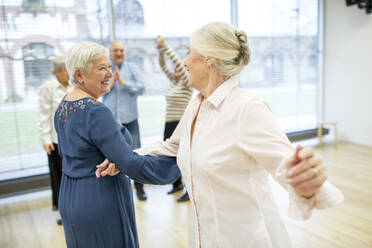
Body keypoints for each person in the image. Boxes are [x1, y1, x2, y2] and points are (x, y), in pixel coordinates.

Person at [98, 22, 344, 248]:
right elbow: (173, 146)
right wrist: (125, 158)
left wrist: (309, 180)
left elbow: (287, 165)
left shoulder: (247, 109)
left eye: (188, 52)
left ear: (209, 60)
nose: (183, 62)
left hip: (245, 240)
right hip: (203, 237)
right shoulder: (196, 104)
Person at [54, 41, 180, 248]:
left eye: (109, 67)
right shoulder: (96, 111)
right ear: (79, 75)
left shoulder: (63, 107)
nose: (110, 74)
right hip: (99, 197)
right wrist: (177, 164)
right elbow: (130, 163)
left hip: (70, 198)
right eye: (102, 68)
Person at [102, 40, 147, 201]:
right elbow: (99, 93)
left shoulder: (132, 68)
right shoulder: (104, 70)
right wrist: (111, 85)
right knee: (111, 156)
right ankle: (115, 192)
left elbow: (142, 88)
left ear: (125, 52)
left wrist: (124, 83)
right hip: (111, 122)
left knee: (136, 154)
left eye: (121, 50)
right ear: (110, 52)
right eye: (116, 51)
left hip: (130, 119)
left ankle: (140, 189)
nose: (119, 53)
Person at [37, 56, 72, 225]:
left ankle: (75, 207)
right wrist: (45, 138)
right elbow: (43, 115)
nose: (69, 73)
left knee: (73, 174)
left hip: (74, 141)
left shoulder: (74, 86)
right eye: (66, 69)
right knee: (58, 176)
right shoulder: (47, 88)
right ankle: (61, 212)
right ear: (57, 71)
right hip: (55, 141)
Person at [156, 36, 192, 202]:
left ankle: (188, 189)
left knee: (183, 157)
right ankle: (176, 184)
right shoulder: (174, 82)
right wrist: (161, 51)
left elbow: (178, 64)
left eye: (179, 67)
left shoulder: (187, 83)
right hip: (168, 123)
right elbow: (163, 66)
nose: (176, 69)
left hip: (180, 123)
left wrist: (167, 47)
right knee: (171, 156)